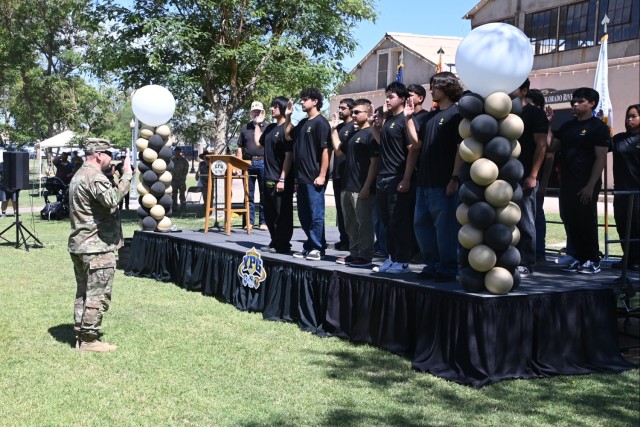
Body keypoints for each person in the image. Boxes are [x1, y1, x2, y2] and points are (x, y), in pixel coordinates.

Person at [68, 141, 132, 352]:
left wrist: (113, 176)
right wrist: (127, 176)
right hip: (96, 247)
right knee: (98, 295)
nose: (111, 158)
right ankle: (88, 340)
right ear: (98, 155)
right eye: (109, 154)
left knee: (83, 293)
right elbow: (112, 199)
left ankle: (81, 333)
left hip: (81, 245)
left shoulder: (79, 175)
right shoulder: (94, 176)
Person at [406, 72, 464, 281]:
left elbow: (461, 149)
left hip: (443, 182)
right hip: (424, 182)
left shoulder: (457, 115)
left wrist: (455, 178)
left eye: (436, 87)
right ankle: (432, 265)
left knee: (445, 228)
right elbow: (417, 145)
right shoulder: (431, 116)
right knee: (421, 226)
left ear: (448, 88)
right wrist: (408, 119)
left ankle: (448, 268)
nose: (431, 90)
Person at [549, 87, 609, 274]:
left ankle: (592, 260)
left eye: (580, 101)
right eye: (573, 101)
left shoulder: (598, 127)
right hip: (567, 182)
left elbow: (601, 158)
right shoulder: (567, 126)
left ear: (591, 104)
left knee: (586, 221)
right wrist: (548, 124)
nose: (574, 104)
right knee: (570, 219)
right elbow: (551, 146)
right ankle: (579, 257)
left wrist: (591, 185)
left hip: (586, 183)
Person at [371, 82, 417, 274]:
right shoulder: (389, 120)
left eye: (391, 96)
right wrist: (375, 127)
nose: (387, 100)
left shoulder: (405, 120)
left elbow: (413, 150)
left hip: (397, 178)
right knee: (386, 221)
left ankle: (403, 260)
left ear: (402, 99)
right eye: (387, 96)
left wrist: (406, 178)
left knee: (398, 221)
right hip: (383, 177)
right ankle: (392, 258)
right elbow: (384, 143)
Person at [330, 98, 379, 267]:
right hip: (347, 185)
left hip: (362, 188)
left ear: (368, 113)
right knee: (350, 223)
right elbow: (338, 151)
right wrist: (334, 129)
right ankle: (354, 253)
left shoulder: (371, 135)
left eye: (357, 112)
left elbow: (375, 163)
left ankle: (365, 256)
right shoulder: (353, 134)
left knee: (363, 222)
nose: (354, 114)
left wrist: (366, 186)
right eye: (353, 112)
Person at [284, 87, 331, 261]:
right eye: (301, 99)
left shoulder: (321, 123)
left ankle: (318, 248)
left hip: (314, 178)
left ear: (315, 101)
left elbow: (326, 151)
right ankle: (310, 245)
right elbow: (288, 135)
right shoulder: (303, 123)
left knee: (316, 215)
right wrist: (288, 116)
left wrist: (322, 175)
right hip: (301, 178)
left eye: (305, 99)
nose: (301, 102)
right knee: (304, 215)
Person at [511, 79, 548, 277]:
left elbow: (542, 146)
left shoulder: (535, 114)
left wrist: (533, 175)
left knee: (525, 220)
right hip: (504, 177)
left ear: (525, 90)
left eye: (513, 87)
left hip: (525, 176)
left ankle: (526, 261)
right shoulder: (503, 112)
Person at [254, 97, 294, 254]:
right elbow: (258, 143)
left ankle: (283, 244)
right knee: (269, 213)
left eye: (275, 106)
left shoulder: (287, 128)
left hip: (281, 179)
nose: (272, 109)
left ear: (283, 108)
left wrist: (283, 178)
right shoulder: (270, 128)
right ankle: (274, 240)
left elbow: (289, 155)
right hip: (268, 177)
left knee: (282, 213)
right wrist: (257, 123)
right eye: (272, 106)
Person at [526, 89, 556, 264]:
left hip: (535, 180)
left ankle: (539, 253)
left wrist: (542, 183)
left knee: (536, 216)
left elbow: (549, 150)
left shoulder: (541, 122)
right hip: (522, 177)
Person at [611, 104, 640, 270]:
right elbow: (599, 148)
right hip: (621, 191)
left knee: (637, 226)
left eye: (634, 116)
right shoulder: (618, 139)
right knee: (622, 225)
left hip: (638, 191)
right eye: (628, 116)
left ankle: (637, 260)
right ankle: (627, 258)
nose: (629, 119)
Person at [236, 101, 268, 230]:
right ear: (250, 112)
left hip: (263, 162)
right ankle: (249, 221)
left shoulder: (268, 127)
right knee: (248, 194)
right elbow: (239, 148)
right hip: (248, 163)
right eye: (254, 111)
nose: (256, 113)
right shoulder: (245, 128)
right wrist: (239, 165)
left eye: (258, 111)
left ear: (262, 112)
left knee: (264, 193)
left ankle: (264, 222)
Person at [331, 98, 355, 251]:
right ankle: (343, 238)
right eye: (339, 108)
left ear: (351, 109)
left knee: (351, 210)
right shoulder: (338, 127)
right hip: (338, 173)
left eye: (343, 108)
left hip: (350, 174)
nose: (340, 111)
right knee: (340, 209)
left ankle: (353, 241)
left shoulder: (354, 127)